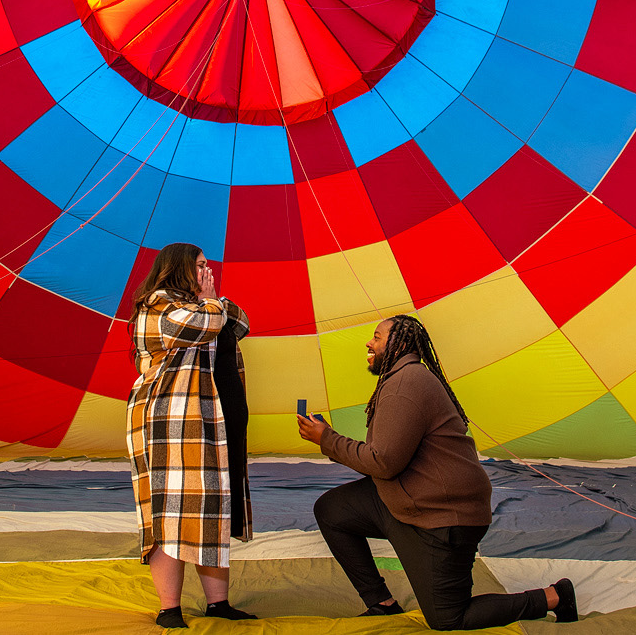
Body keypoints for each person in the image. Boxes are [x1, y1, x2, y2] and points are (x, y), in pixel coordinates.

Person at [297, 315, 578, 629]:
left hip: (446, 517)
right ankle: (382, 603)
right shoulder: (399, 379)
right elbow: (388, 459)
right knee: (332, 509)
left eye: (377, 336)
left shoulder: (406, 383)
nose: (369, 342)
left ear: (399, 344)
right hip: (409, 502)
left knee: (448, 618)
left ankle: (554, 596)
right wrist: (329, 441)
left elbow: (384, 462)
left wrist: (327, 439)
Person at [127, 243, 257, 629]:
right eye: (200, 265)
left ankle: (218, 604)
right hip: (175, 427)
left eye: (208, 265)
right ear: (179, 268)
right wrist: (211, 303)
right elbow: (191, 327)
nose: (208, 271)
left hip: (214, 425)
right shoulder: (158, 304)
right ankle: (170, 607)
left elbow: (242, 323)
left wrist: (212, 303)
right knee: (170, 514)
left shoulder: (205, 305)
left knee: (210, 511)